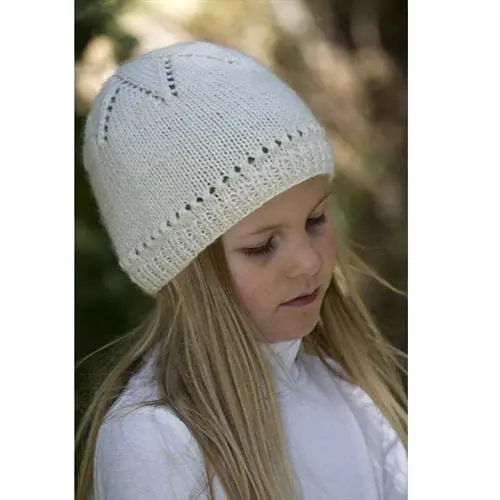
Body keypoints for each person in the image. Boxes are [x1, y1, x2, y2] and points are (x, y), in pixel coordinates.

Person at [76, 40, 407, 500]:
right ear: (184, 272)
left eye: (315, 220)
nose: (309, 262)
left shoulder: (343, 387)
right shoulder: (156, 440)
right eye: (261, 246)